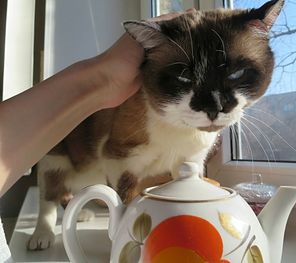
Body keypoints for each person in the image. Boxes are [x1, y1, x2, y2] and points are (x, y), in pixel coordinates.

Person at [0, 10, 188, 262]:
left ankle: (71, 206)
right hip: (72, 157)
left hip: (90, 177)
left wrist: (104, 77)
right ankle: (45, 220)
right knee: (53, 160)